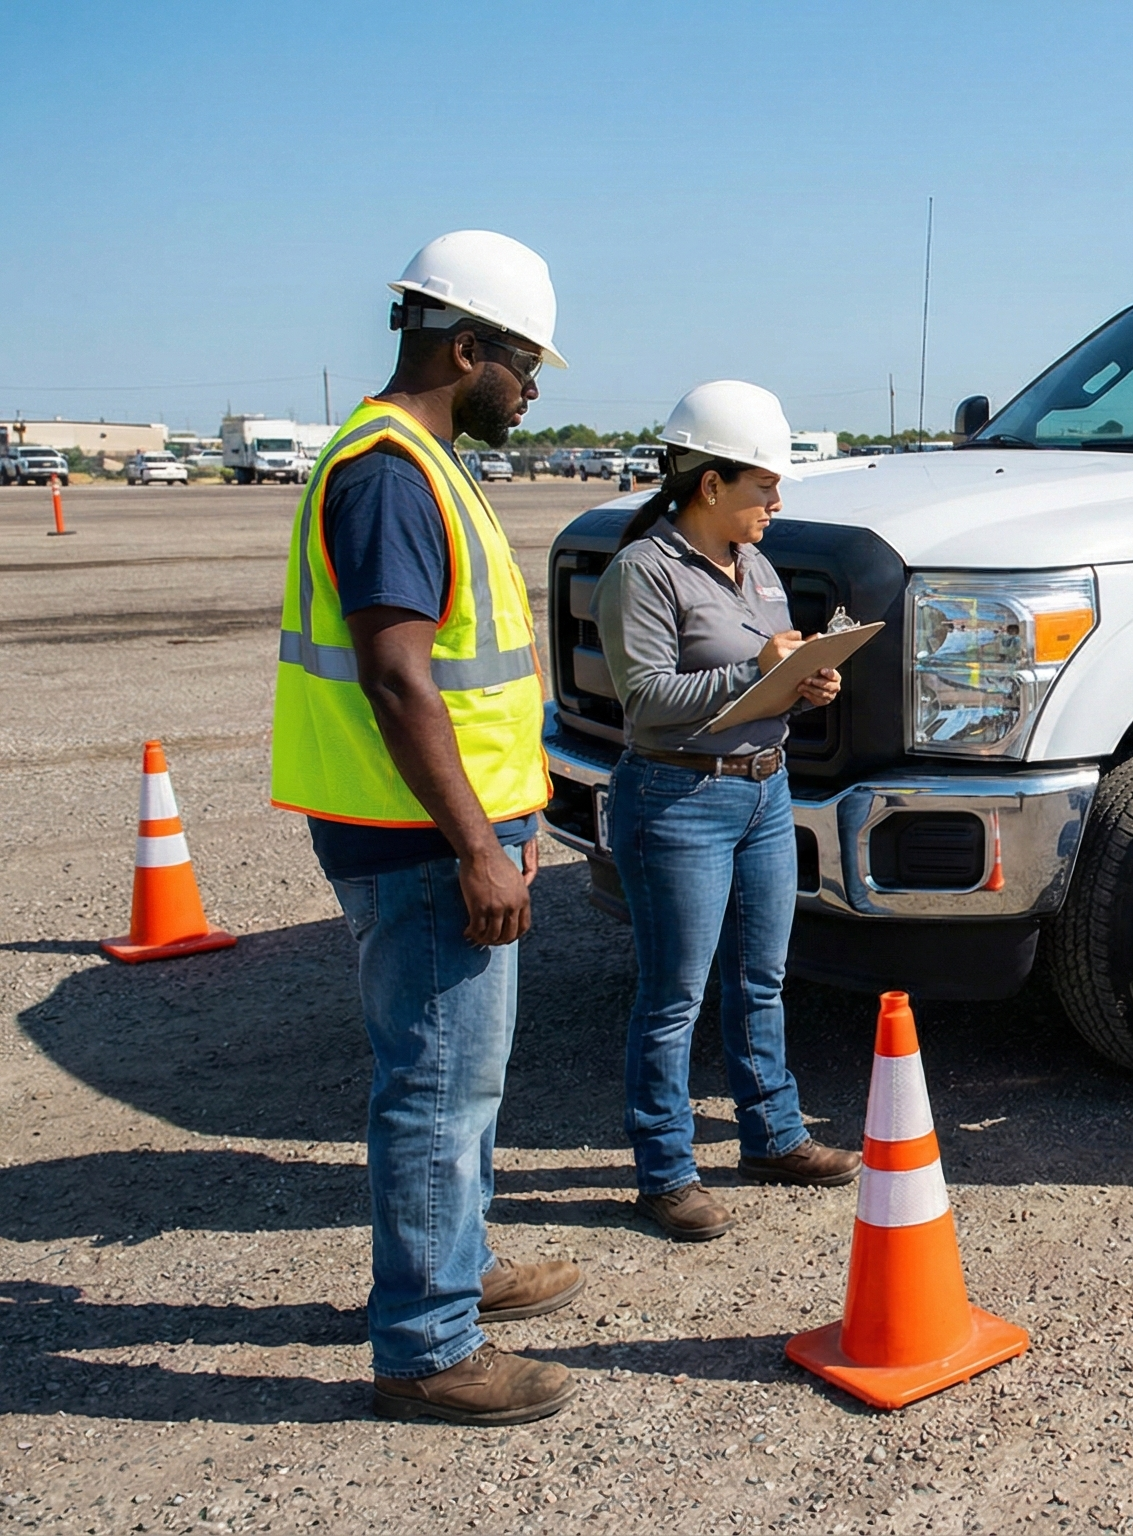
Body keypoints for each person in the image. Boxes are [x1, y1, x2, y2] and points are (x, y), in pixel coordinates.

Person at [270, 230, 581, 1425]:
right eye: (524, 366)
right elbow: (401, 679)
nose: (532, 389)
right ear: (466, 348)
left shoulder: (419, 462)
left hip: (449, 825)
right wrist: (469, 846)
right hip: (417, 839)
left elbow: (465, 677)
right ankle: (426, 1344)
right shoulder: (394, 472)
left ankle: (461, 1266)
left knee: (463, 1075)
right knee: (437, 1086)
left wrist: (510, 818)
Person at [594, 381, 862, 1240]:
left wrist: (806, 682)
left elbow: (764, 674)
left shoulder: (759, 566)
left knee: (761, 979)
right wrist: (758, 673)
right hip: (678, 798)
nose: (777, 503)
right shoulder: (644, 571)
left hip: (763, 788)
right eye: (763, 487)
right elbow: (646, 700)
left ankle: (772, 1136)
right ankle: (665, 1173)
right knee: (672, 998)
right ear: (709, 484)